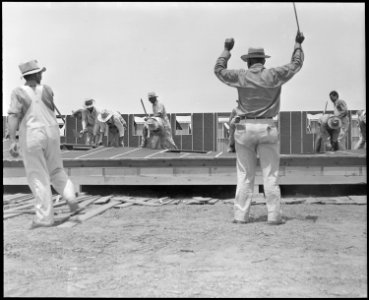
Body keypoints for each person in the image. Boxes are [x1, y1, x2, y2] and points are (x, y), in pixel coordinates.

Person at [214, 31, 305, 225]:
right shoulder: (273, 75)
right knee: (270, 175)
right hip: (268, 126)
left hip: (244, 128)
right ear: (263, 61)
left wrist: (226, 50)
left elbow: (219, 70)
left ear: (248, 61)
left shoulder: (241, 76)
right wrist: (297, 44)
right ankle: (274, 215)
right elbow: (296, 64)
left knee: (245, 175)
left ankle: (240, 216)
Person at [7, 59, 80, 228]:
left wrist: (12, 140)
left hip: (32, 134)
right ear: (37, 74)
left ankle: (44, 218)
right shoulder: (47, 90)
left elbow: (13, 116)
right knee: (56, 170)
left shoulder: (18, 92)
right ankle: (70, 197)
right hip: (52, 133)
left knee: (38, 175)